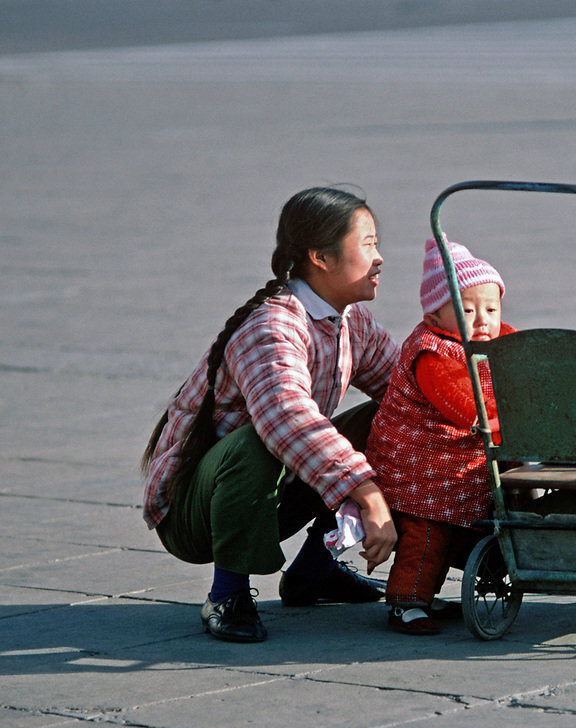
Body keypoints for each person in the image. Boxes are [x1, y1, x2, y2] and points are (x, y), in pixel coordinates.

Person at [141, 186, 399, 643]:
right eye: (368, 243)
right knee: (258, 441)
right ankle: (227, 594)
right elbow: (289, 421)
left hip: (270, 493)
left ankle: (315, 572)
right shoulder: (272, 326)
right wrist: (371, 496)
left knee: (394, 416)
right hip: (194, 513)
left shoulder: (350, 320)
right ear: (320, 256)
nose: (379, 258)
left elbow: (406, 389)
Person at [365, 237, 515, 635]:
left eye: (491, 308)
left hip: (456, 462)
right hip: (417, 468)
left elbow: (523, 358)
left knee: (472, 523)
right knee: (428, 533)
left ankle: (438, 588)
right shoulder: (432, 353)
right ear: (435, 317)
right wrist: (513, 413)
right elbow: (464, 408)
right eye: (467, 311)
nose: (482, 320)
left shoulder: (494, 339)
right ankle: (406, 600)